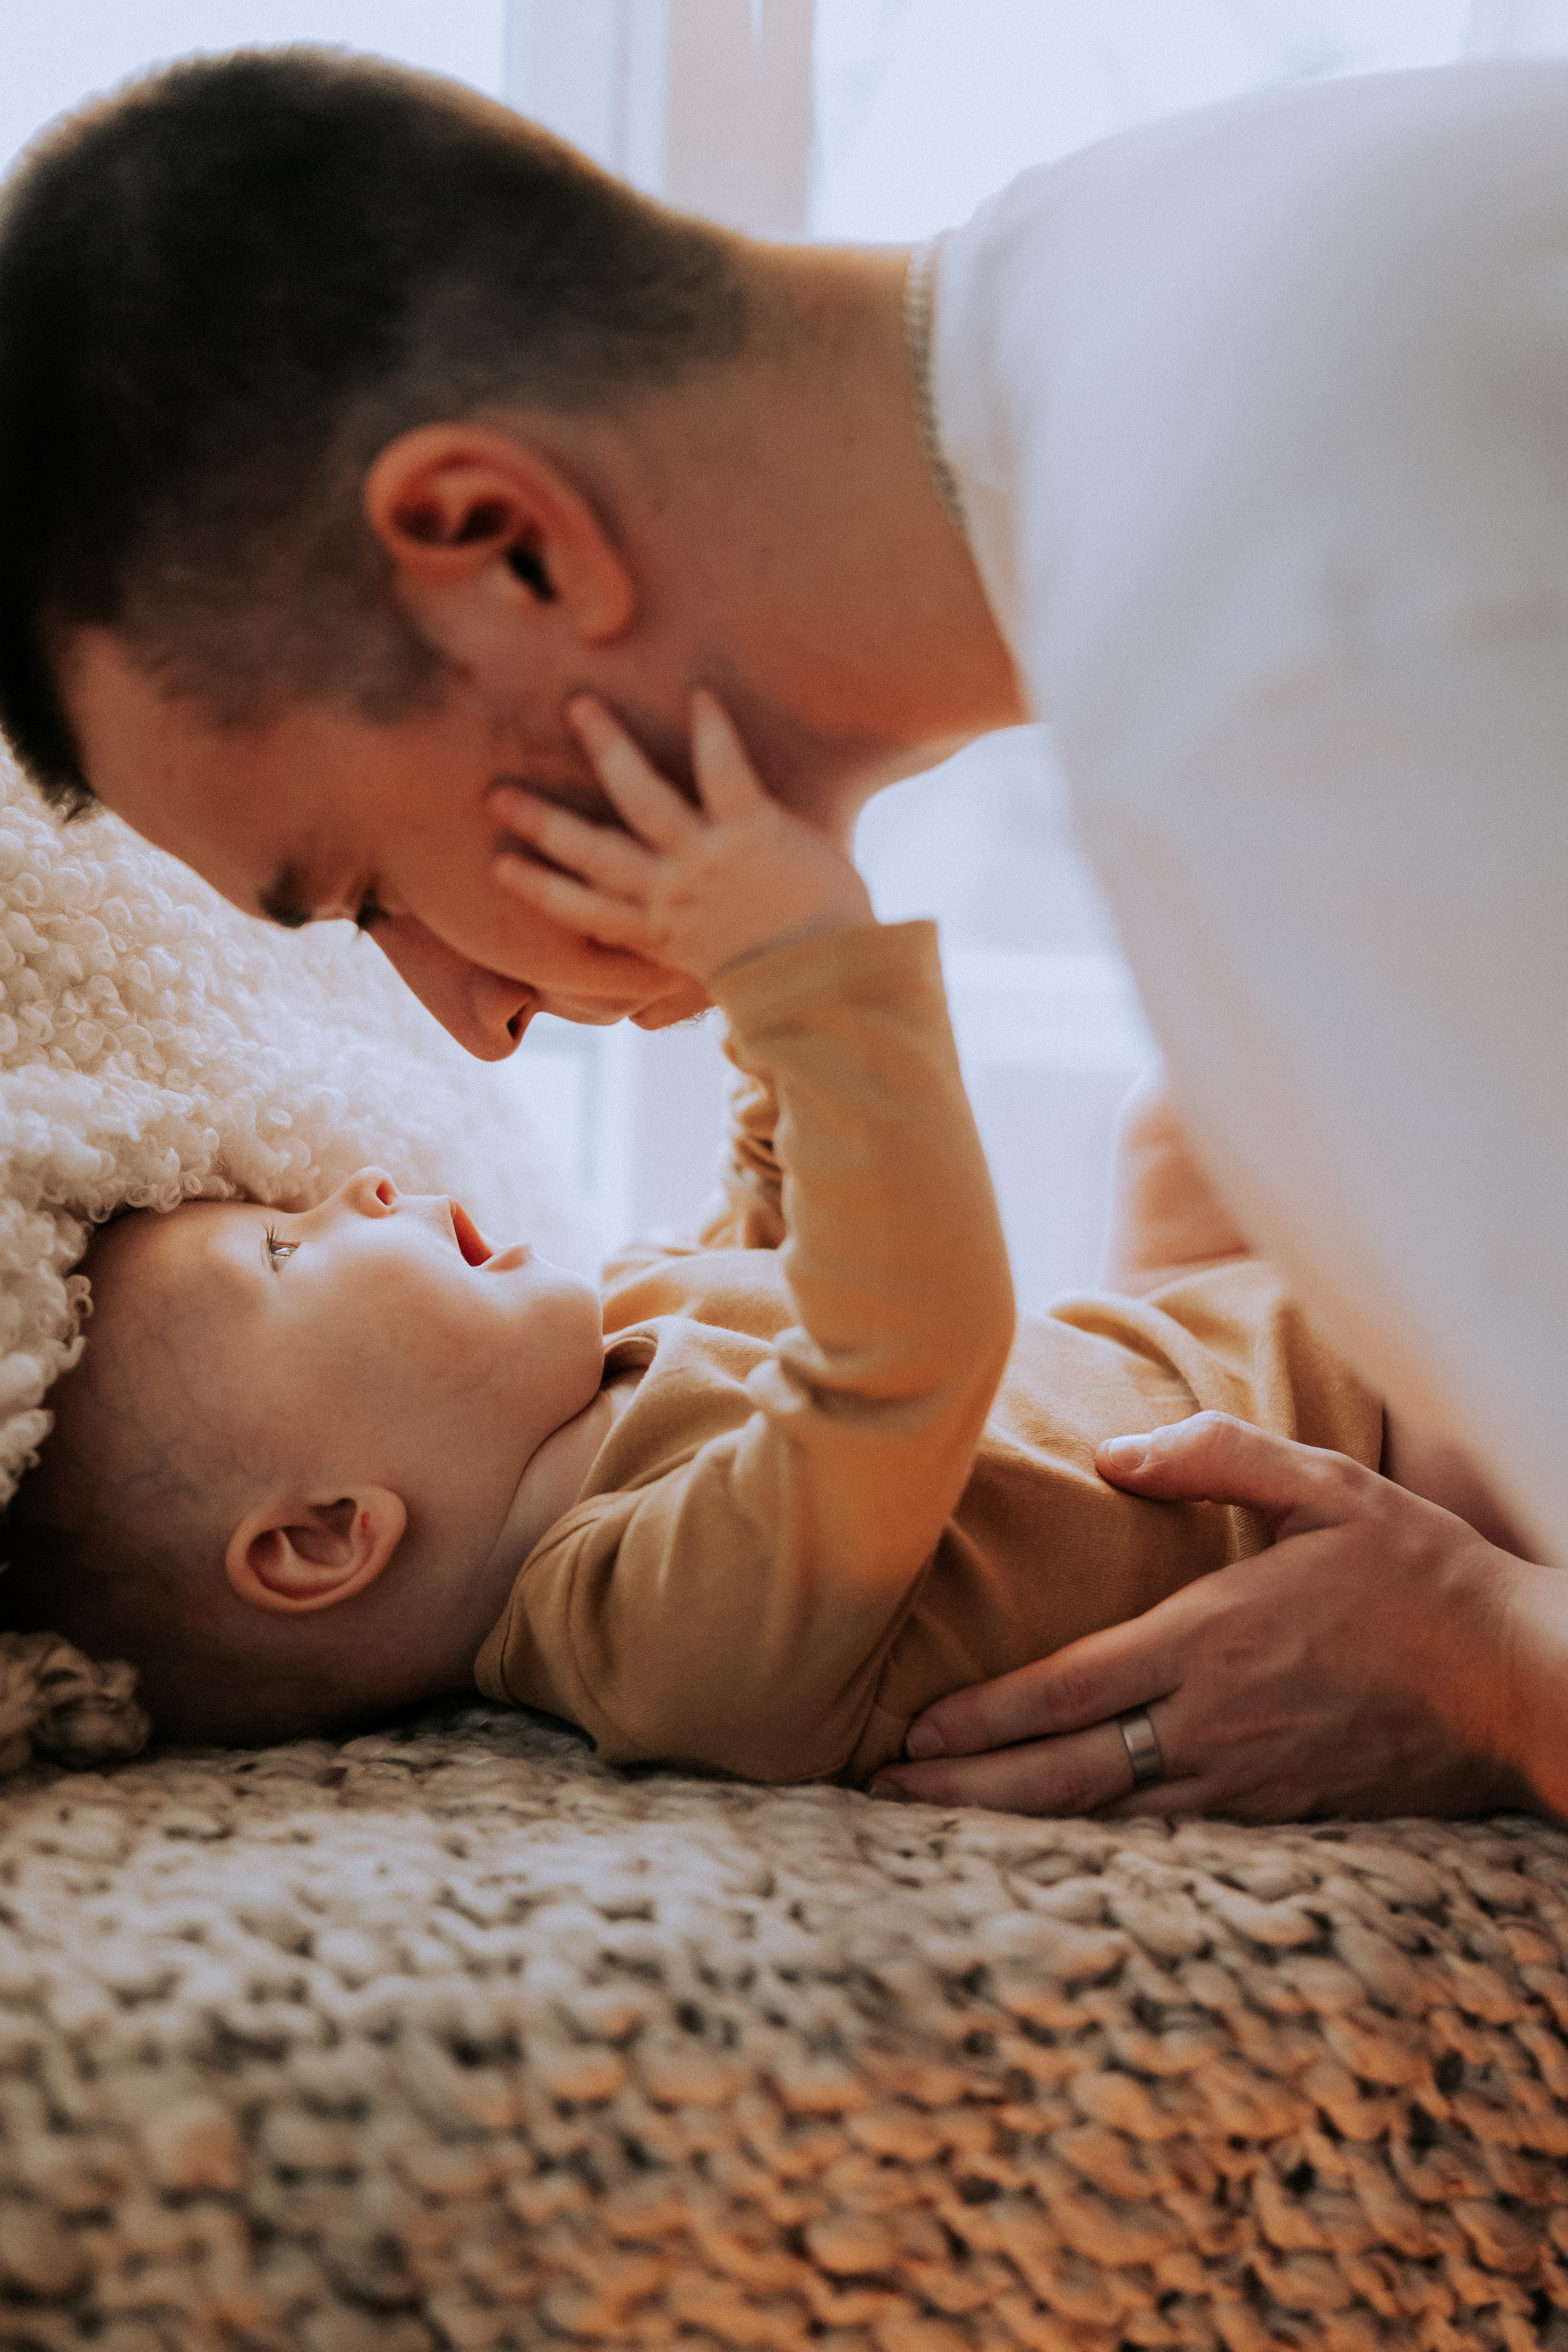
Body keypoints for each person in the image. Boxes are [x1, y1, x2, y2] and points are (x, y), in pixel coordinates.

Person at [0, 50, 1564, 1817]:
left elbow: (893, 1347)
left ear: (502, 546)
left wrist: (1488, 1662)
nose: (472, 1023)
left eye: (370, 889)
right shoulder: (1148, 293)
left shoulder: (1295, 686)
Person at [0, 699, 1525, 1803]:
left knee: (1186, 1121)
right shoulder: (657, 1628)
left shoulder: (600, 1360)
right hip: (1372, 1461)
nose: (357, 1188)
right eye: (283, 1251)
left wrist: (736, 1012)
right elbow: (900, 1353)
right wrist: (804, 968)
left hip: (1196, 1347)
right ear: (327, 1536)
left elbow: (785, 1236)